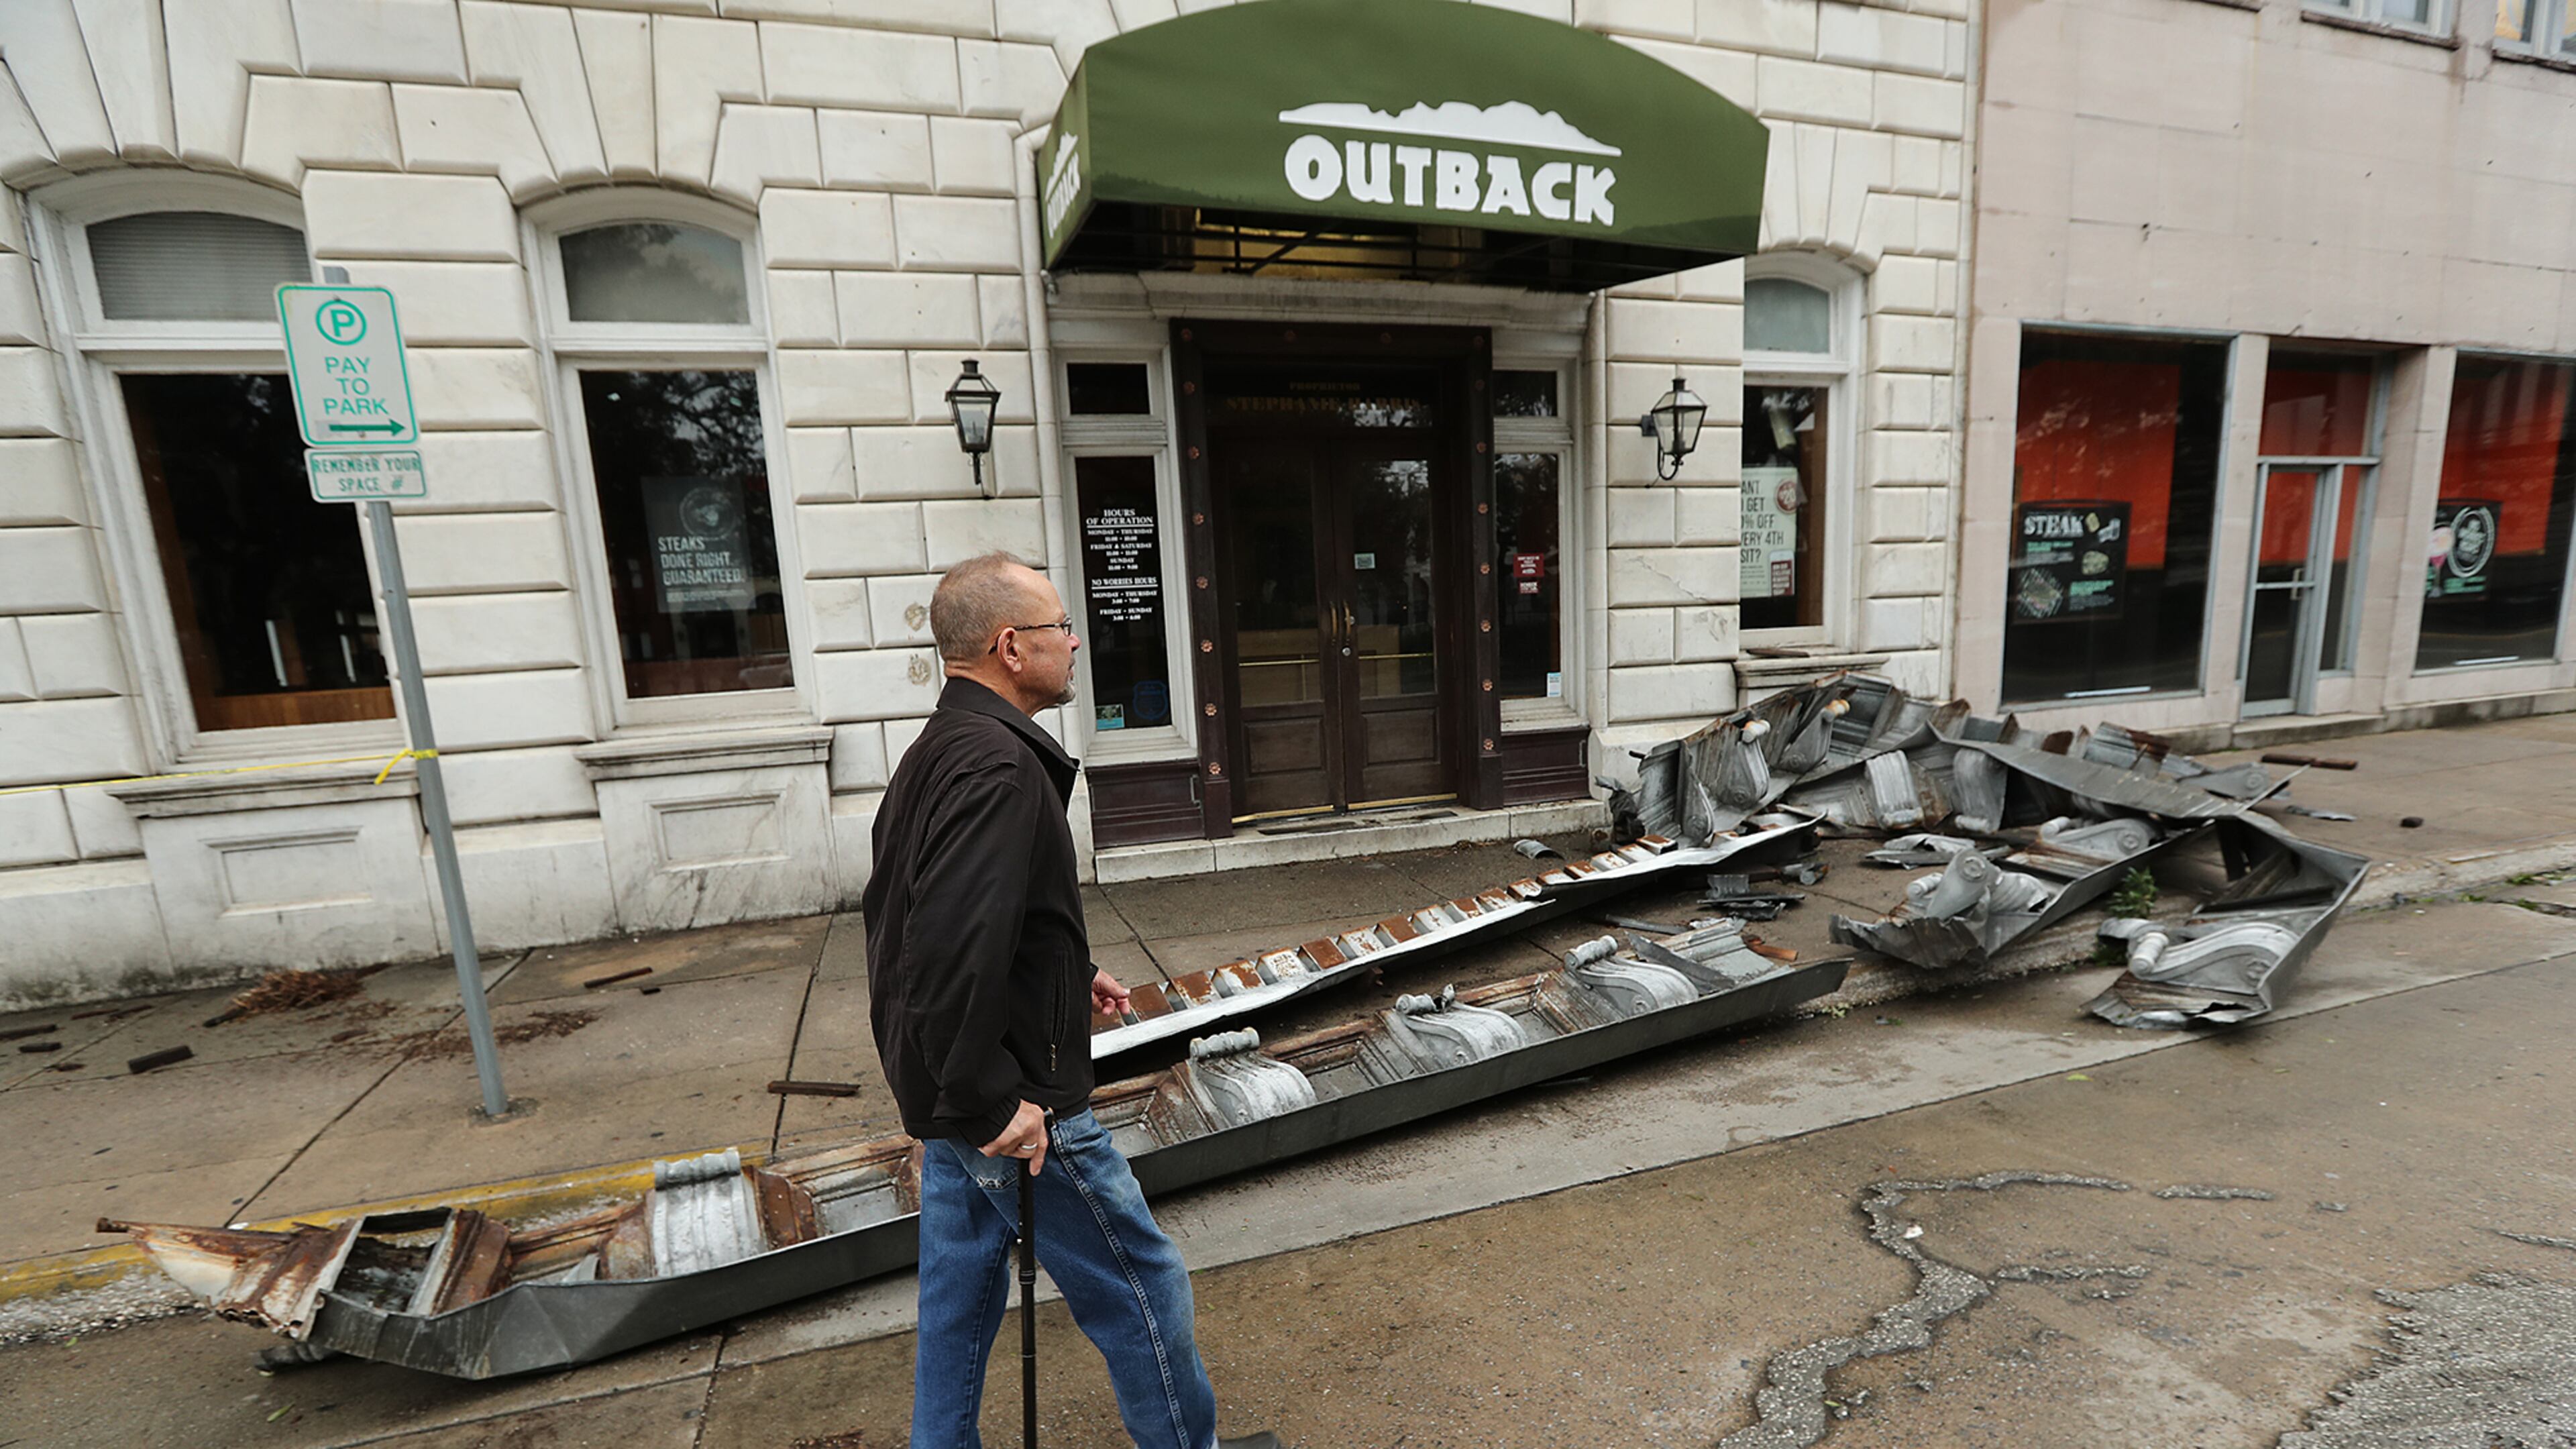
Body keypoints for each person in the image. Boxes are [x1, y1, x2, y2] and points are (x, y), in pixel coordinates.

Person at [862, 552, 1277, 1449]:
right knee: (1141, 1286)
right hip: (1013, 1105)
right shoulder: (998, 769)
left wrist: (1058, 972)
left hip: (953, 1095)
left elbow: (923, 920)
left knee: (957, 1309)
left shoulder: (942, 749)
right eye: (1057, 627)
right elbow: (939, 955)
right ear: (1011, 646)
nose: (1074, 641)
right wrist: (991, 1104)